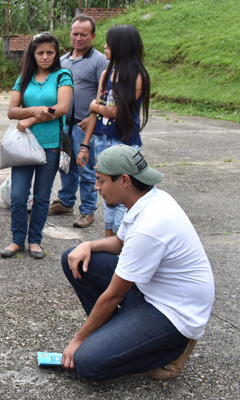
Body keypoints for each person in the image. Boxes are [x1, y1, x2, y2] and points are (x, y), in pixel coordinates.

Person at [60, 145, 214, 381]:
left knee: (87, 363)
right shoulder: (148, 199)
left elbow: (114, 296)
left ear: (124, 181)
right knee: (75, 258)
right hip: (151, 291)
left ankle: (172, 350)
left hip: (173, 312)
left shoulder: (150, 225)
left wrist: (79, 340)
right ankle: (115, 335)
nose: (96, 187)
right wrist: (88, 245)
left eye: (101, 181)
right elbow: (119, 244)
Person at [1, 32, 72, 260]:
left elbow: (61, 108)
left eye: (50, 52)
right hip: (25, 146)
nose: (45, 56)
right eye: (40, 52)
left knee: (42, 197)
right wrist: (32, 110)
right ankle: (16, 240)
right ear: (33, 54)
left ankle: (35, 241)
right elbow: (12, 111)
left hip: (50, 145)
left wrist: (30, 120)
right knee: (19, 195)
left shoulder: (62, 75)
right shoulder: (24, 78)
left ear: (56, 54)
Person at [77, 24, 150, 237]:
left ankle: (121, 247)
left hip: (124, 145)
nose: (105, 46)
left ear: (122, 46)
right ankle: (109, 245)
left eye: (110, 43)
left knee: (123, 200)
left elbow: (118, 111)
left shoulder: (138, 76)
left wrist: (94, 105)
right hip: (101, 142)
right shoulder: (107, 73)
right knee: (107, 198)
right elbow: (96, 115)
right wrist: (84, 145)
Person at [49, 15, 108, 229]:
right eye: (75, 33)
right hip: (64, 125)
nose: (79, 38)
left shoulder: (100, 60)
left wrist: (92, 117)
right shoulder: (63, 60)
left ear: (93, 36)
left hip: (85, 126)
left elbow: (105, 95)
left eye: (84, 34)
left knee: (86, 169)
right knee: (65, 166)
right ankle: (65, 202)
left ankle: (88, 211)